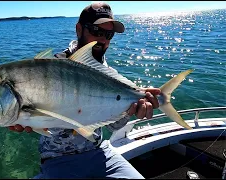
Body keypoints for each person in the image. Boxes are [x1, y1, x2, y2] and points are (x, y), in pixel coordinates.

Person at [9, 2, 161, 179]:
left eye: (108, 34)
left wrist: (131, 109)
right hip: (58, 158)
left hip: (100, 152)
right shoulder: (53, 68)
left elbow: (114, 126)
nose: (103, 39)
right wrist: (23, 117)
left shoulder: (108, 75)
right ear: (79, 29)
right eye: (96, 31)